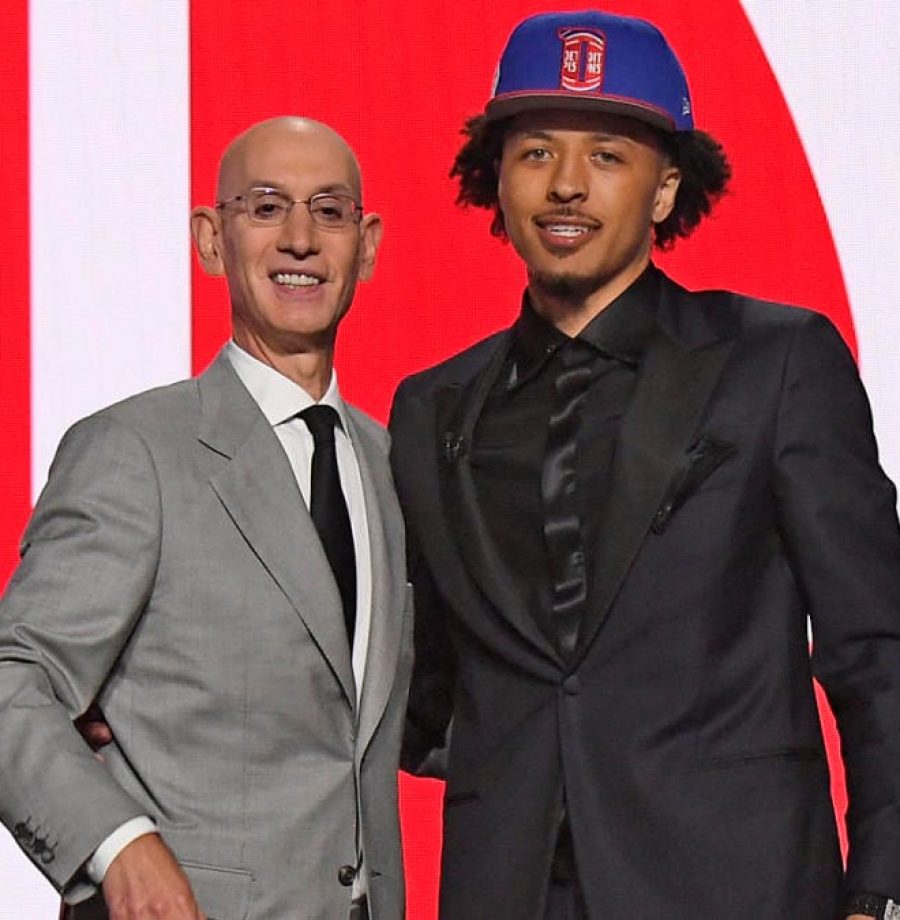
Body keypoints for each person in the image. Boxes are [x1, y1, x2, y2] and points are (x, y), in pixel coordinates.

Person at [389, 11, 900, 920]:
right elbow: (418, 683)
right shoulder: (433, 407)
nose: (567, 185)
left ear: (665, 191)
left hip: (736, 887)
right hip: (507, 890)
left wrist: (881, 890)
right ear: (495, 178)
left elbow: (877, 650)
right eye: (536, 152)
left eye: (607, 156)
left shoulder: (777, 362)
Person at [0, 116, 411, 920]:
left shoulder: (392, 463)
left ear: (366, 247)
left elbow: (411, 709)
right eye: (266, 207)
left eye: (329, 211)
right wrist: (117, 845)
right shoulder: (135, 451)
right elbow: (14, 677)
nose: (300, 240)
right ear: (211, 240)